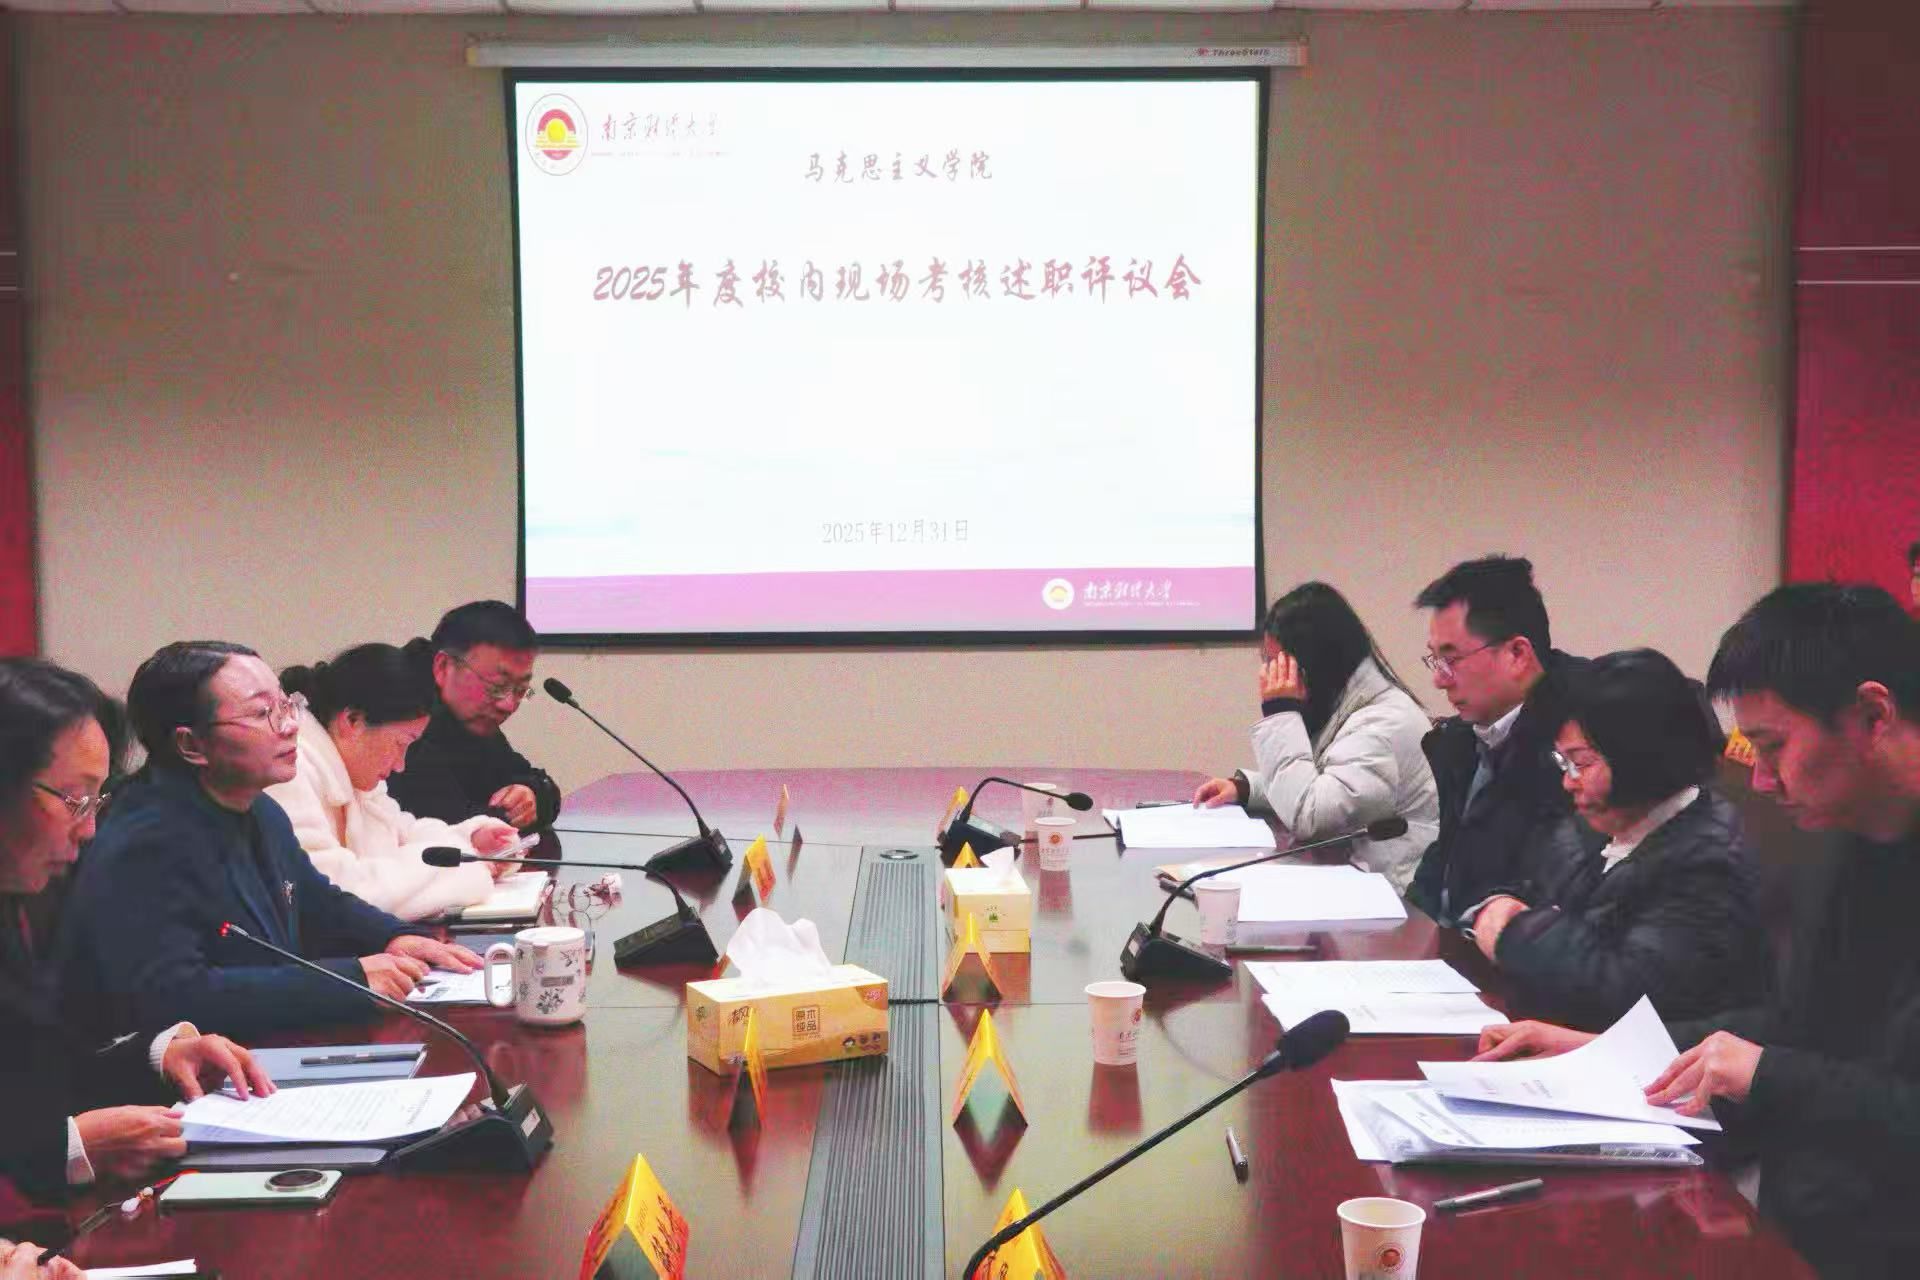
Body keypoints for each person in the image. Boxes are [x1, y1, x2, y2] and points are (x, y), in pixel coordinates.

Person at [1477, 585, 1920, 1279]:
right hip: (1806, 1217)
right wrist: (1610, 1052)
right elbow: (1800, 1027)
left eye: (1773, 747)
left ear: (1872, 715)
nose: (1762, 781)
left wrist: (1765, 1074)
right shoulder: (1852, 840)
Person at [56, 642, 481, 1040]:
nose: (291, 726)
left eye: (286, 705)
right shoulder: (145, 841)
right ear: (191, 744)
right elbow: (176, 995)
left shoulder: (259, 808)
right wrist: (351, 980)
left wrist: (393, 936)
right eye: (263, 714)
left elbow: (317, 902)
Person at [1, 658, 271, 1212]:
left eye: (97, 800)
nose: (89, 829)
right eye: (74, 799)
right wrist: (68, 1148)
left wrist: (160, 1056)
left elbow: (36, 1077)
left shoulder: (16, 905)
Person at [1465, 649, 1773, 1029]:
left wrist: (1513, 934)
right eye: (1563, 762)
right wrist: (1505, 910)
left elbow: (1624, 994)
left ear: (1639, 759)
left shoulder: (1706, 863)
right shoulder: (1599, 827)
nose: (1568, 782)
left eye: (1581, 763)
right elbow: (1530, 893)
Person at [1193, 582, 1439, 892]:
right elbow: (1326, 784)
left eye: (1279, 666)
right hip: (1359, 882)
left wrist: (1281, 713)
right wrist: (1248, 789)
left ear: (1313, 663)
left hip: (1394, 899)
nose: (1271, 678)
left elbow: (1311, 816)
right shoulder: (1346, 705)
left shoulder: (1382, 725)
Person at [265, 644, 526, 922]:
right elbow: (340, 895)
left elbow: (403, 832)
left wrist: (471, 840)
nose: (401, 764)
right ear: (352, 720)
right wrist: (467, 868)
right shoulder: (289, 772)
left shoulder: (352, 770)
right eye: (401, 744)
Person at [1406, 555, 1586, 926]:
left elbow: (1539, 894)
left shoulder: (1579, 750)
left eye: (1451, 659)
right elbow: (1442, 865)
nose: (1439, 680)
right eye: (1435, 660)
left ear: (1517, 654)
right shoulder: (1461, 740)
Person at [387, 602, 562, 840]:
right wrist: (512, 812)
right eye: (497, 687)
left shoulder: (470, 718)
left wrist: (529, 794)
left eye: (521, 690)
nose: (508, 705)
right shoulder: (401, 714)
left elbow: (532, 781)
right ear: (443, 667)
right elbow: (452, 824)